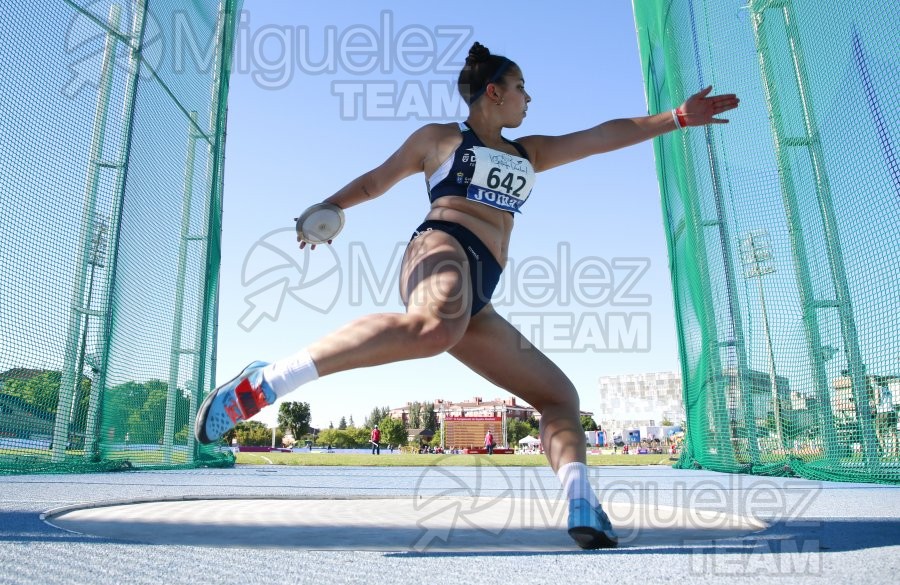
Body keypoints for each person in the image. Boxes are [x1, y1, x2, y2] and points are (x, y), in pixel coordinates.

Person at [195, 41, 739, 549]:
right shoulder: (441, 139)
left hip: (480, 291)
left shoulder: (530, 152)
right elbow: (377, 180)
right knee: (434, 326)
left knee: (558, 398)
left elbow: (601, 134)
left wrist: (677, 118)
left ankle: (582, 504)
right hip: (439, 247)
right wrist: (328, 208)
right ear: (494, 92)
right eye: (522, 87)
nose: (530, 97)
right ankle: (264, 383)